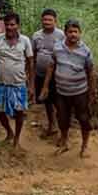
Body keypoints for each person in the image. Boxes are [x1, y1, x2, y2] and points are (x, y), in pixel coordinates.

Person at [0, 12, 33, 148]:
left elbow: (31, 62)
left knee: (20, 112)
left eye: (12, 24)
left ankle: (17, 139)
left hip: (19, 83)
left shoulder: (25, 41)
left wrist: (31, 85)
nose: (9, 27)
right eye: (7, 24)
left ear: (18, 26)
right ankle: (9, 132)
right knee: (0, 111)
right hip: (1, 83)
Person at [42, 19, 94, 157]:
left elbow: (90, 72)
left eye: (76, 32)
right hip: (61, 92)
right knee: (62, 119)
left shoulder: (85, 51)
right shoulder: (57, 47)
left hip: (80, 92)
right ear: (65, 33)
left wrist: (91, 92)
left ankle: (85, 146)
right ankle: (65, 143)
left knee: (84, 119)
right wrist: (45, 86)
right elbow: (51, 66)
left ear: (80, 33)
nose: (73, 35)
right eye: (70, 31)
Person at [32, 9, 65, 137]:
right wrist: (32, 74)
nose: (46, 22)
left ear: (55, 21)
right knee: (47, 101)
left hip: (56, 76)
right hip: (40, 74)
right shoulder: (36, 35)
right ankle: (52, 126)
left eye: (49, 20)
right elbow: (33, 55)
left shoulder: (61, 35)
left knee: (59, 102)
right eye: (44, 20)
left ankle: (63, 130)